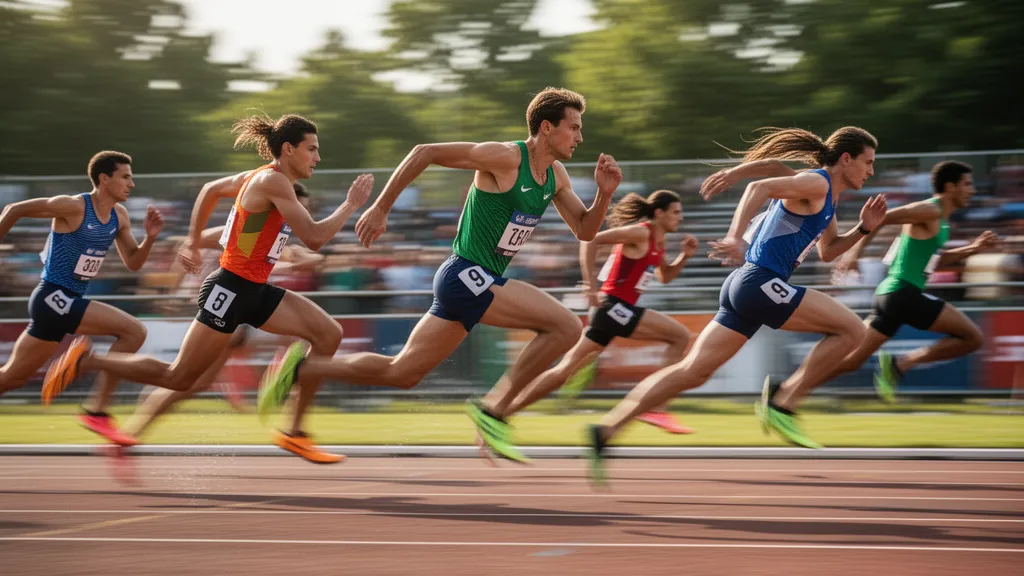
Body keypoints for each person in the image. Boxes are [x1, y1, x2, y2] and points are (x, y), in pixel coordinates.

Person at [258, 87, 623, 463]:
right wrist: (382, 208)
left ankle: (305, 367)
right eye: (574, 127)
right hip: (467, 274)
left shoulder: (555, 175)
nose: (580, 137)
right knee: (564, 326)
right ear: (547, 127)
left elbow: (585, 230)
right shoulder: (504, 157)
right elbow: (424, 152)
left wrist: (604, 195)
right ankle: (494, 410)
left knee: (402, 372)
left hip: (471, 282)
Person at [40, 113, 374, 464]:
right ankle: (87, 360)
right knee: (180, 377)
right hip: (229, 291)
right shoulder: (273, 182)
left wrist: (195, 242)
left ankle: (294, 432)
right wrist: (352, 204)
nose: (318, 158)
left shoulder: (258, 178)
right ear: (288, 149)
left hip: (255, 290)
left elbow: (210, 190)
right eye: (312, 149)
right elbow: (316, 238)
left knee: (328, 335)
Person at [584, 126, 886, 484]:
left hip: (746, 287)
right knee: (852, 330)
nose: (871, 171)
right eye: (867, 162)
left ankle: (606, 430)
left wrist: (864, 230)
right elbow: (760, 187)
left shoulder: (826, 198)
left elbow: (828, 250)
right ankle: (783, 401)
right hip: (760, 282)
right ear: (846, 159)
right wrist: (734, 235)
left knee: (692, 371)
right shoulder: (817, 183)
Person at [120, 182, 326, 441]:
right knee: (184, 379)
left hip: (238, 312)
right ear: (281, 201)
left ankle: (132, 432)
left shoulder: (275, 235)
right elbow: (192, 243)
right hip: (223, 304)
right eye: (299, 210)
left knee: (192, 383)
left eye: (306, 212)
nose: (302, 218)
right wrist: (176, 283)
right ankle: (285, 379)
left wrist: (311, 261)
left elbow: (298, 257)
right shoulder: (248, 225)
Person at [501, 190, 698, 434]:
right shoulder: (640, 232)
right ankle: (656, 407)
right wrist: (591, 285)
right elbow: (591, 239)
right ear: (659, 213)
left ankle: (501, 412)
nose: (680, 217)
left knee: (565, 370)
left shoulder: (659, 240)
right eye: (676, 212)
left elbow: (665, 276)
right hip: (613, 306)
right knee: (678, 336)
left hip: (613, 311)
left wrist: (684, 257)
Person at [0, 151, 163, 446]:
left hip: (66, 301)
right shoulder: (73, 206)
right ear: (104, 178)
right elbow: (13, 209)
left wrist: (150, 238)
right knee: (133, 331)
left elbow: (134, 263)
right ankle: (96, 410)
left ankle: (92, 396)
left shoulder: (119, 216)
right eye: (125, 177)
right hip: (52, 296)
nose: (132, 184)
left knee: (12, 378)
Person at [826, 161, 996, 400]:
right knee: (973, 338)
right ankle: (900, 365)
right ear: (950, 186)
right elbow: (880, 217)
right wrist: (854, 253)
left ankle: (786, 388)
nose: (973, 190)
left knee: (851, 361)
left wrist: (973, 248)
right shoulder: (930, 210)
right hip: (903, 294)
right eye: (967, 184)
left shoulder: (941, 220)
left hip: (890, 295)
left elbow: (933, 260)